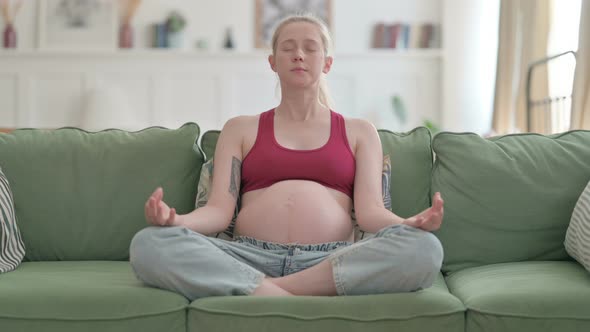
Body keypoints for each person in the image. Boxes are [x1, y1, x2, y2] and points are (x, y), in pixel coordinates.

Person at [129, 13, 444, 299]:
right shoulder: (240, 129)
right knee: (148, 244)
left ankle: (268, 291)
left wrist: (408, 224)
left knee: (424, 249)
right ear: (272, 62)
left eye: (310, 48)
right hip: (246, 256)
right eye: (288, 48)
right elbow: (218, 212)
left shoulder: (360, 132)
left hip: (331, 259)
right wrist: (177, 222)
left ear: (327, 62)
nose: (299, 55)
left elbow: (370, 213)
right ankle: (290, 289)